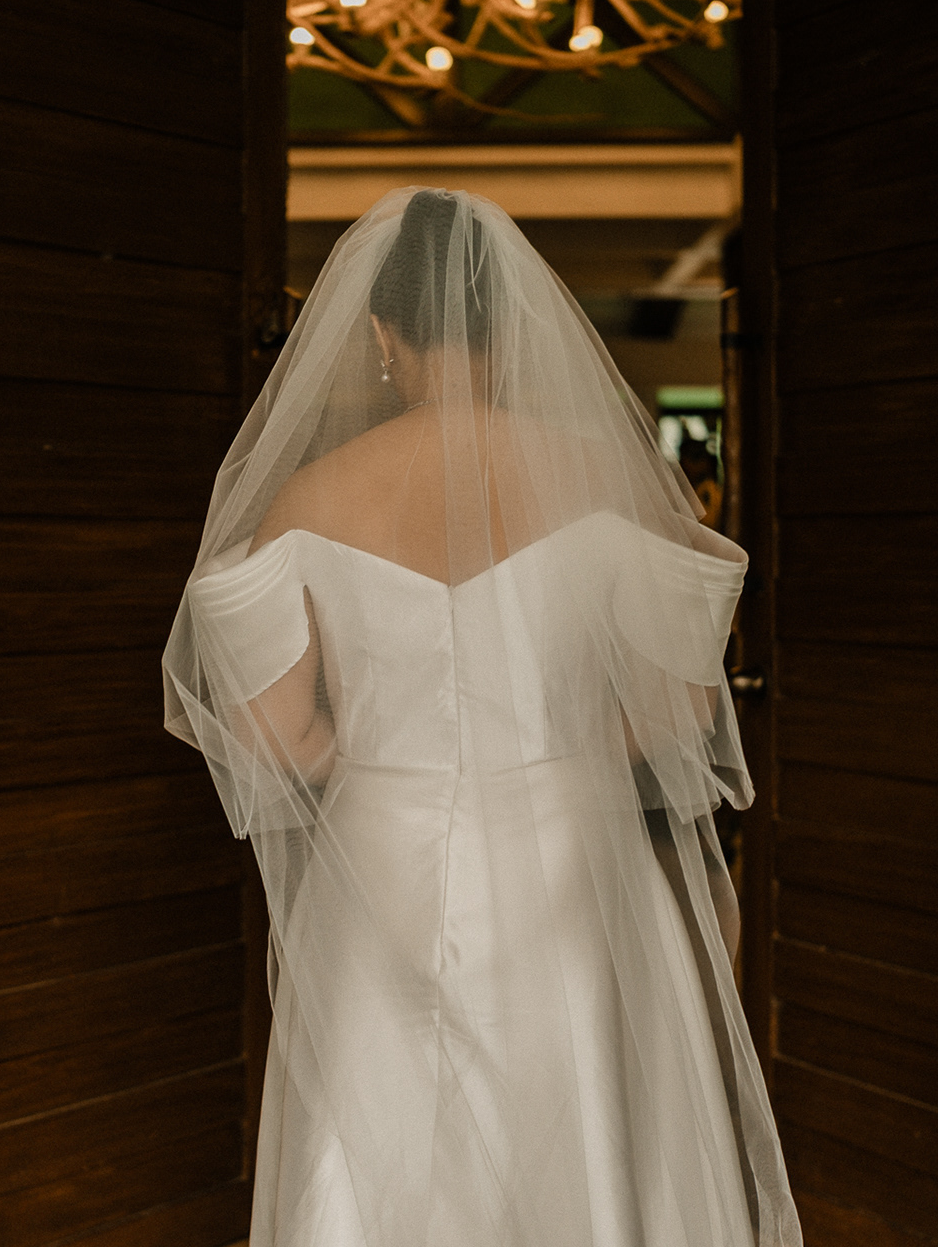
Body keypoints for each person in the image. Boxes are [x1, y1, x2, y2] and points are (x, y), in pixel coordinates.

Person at [162, 188, 801, 1247]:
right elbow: (679, 709)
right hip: (570, 859)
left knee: (378, 1133)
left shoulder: (308, 499)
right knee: (586, 1123)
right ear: (514, 325)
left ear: (382, 335)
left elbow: (274, 738)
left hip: (382, 863)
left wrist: (369, 753)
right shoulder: (610, 481)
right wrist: (564, 748)